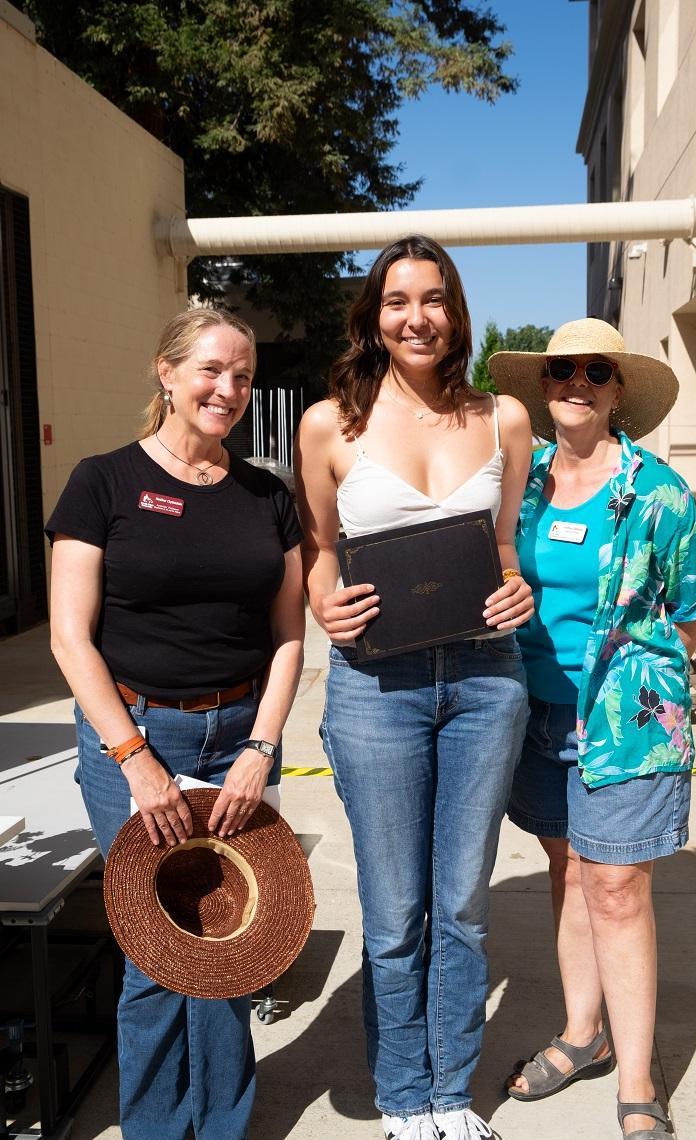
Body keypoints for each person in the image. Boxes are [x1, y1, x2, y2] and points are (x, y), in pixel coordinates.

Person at [295, 235, 534, 1140]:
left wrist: (518, 591)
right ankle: (403, 1098)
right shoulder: (330, 425)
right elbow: (318, 548)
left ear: (455, 312)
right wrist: (326, 606)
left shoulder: (504, 418)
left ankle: (449, 1092)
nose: (416, 317)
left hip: (484, 678)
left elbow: (502, 545)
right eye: (398, 301)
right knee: (396, 912)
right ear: (374, 316)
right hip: (375, 688)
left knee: (464, 907)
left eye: (433, 300)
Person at [46, 309, 305, 1140]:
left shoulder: (268, 494)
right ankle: (157, 1127)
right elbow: (68, 635)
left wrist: (261, 748)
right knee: (155, 953)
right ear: (166, 372)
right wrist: (134, 759)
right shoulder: (103, 481)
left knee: (233, 939)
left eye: (242, 374)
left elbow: (291, 633)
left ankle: (223, 1124)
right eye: (211, 370)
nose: (228, 389)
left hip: (237, 737)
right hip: (135, 736)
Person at [487, 318, 696, 1139]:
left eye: (595, 371)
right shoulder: (521, 480)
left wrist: (637, 689)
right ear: (543, 385)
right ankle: (580, 1034)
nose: (576, 383)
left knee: (617, 887)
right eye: (561, 370)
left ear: (618, 389)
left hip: (624, 722)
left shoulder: (658, 493)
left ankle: (636, 1075)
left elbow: (690, 613)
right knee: (567, 871)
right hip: (536, 713)